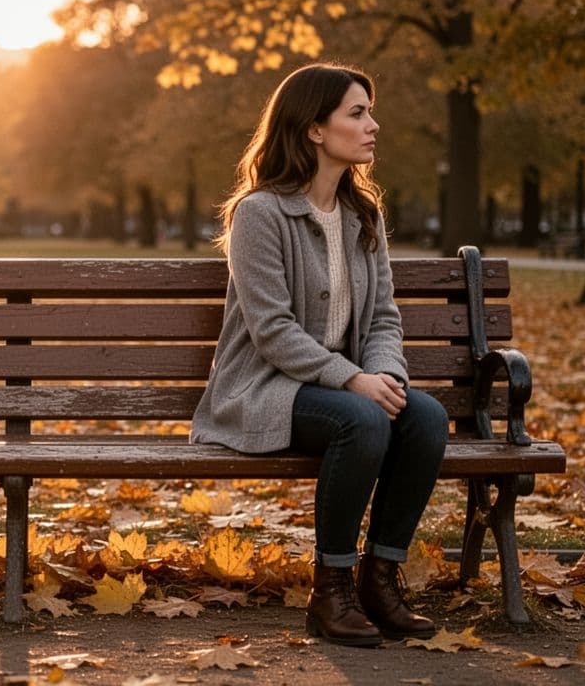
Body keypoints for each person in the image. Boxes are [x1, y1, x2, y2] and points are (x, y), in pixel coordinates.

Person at [191, 64, 448, 647]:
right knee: (359, 418)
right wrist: (354, 381)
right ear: (313, 129)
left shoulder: (364, 216)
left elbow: (383, 316)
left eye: (370, 112)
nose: (372, 125)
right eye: (357, 114)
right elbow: (272, 331)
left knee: (426, 416)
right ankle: (330, 589)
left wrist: (382, 374)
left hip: (344, 386)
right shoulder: (259, 213)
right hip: (264, 389)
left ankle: (379, 581)